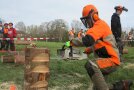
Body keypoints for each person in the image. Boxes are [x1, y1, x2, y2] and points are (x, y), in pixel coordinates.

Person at [70, 4, 132, 90]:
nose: (87, 22)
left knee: (91, 65)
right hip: (104, 60)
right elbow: (95, 45)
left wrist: (70, 43)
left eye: (87, 19)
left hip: (111, 60)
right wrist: (85, 52)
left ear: (93, 15)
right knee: (97, 88)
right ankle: (122, 85)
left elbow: (88, 40)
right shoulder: (95, 29)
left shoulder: (100, 25)